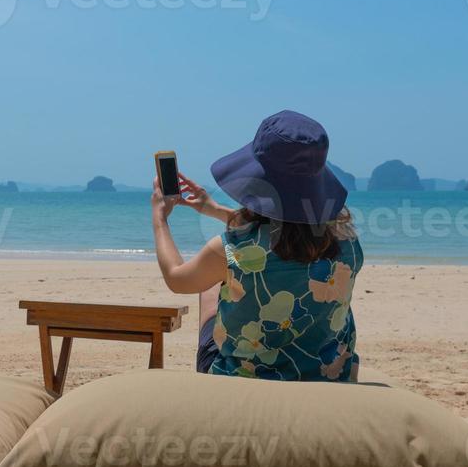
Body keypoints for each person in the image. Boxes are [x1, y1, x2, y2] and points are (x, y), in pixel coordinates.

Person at [151, 111, 363, 382]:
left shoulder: (231, 250)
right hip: (328, 375)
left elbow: (177, 278)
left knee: (211, 286)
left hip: (241, 376)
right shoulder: (348, 241)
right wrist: (214, 210)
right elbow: (289, 235)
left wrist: (160, 219)